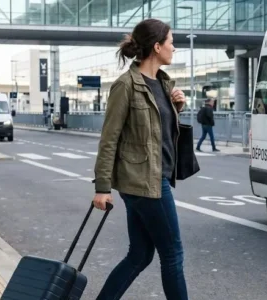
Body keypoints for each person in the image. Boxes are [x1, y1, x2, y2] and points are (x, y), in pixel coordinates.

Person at [92, 18, 188, 300]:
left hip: (150, 180)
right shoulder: (126, 85)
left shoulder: (162, 83)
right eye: (171, 42)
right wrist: (102, 187)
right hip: (147, 183)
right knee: (173, 254)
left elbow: (156, 134)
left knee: (140, 255)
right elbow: (109, 139)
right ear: (157, 47)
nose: (175, 48)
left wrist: (176, 108)